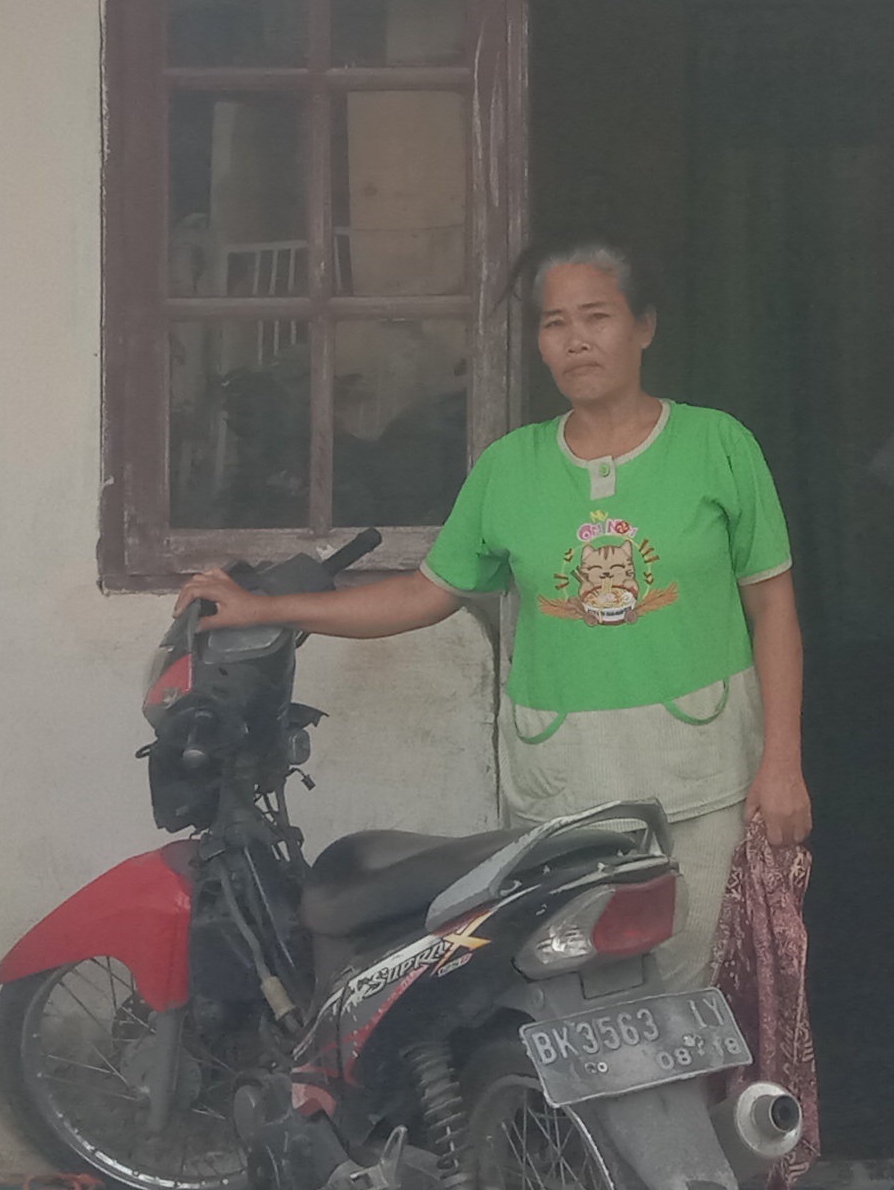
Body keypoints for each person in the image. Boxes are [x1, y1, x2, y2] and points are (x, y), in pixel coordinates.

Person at [179, 240, 810, 982]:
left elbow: (773, 605)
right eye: (554, 323)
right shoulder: (510, 468)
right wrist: (270, 607)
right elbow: (425, 593)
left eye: (598, 317)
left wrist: (782, 762)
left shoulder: (717, 445)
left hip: (701, 776)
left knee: (688, 991)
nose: (575, 340)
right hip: (564, 781)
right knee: (567, 992)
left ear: (644, 327)